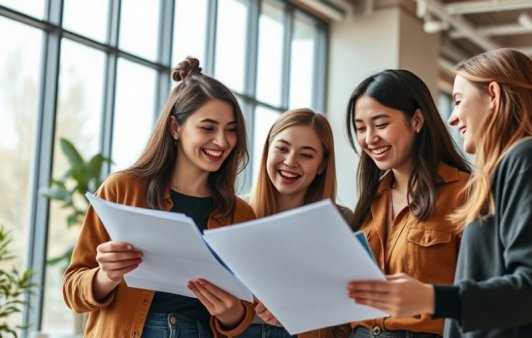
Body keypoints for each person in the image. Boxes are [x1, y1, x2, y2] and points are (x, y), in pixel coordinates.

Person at [347, 48, 532, 337]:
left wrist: (430, 298)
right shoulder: (515, 166)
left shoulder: (529, 159)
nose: (452, 118)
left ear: (493, 95)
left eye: (458, 101)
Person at [63, 57, 256, 337]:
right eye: (208, 128)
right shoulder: (121, 189)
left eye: (231, 130)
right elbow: (72, 290)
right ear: (175, 128)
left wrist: (232, 314)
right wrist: (106, 276)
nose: (222, 141)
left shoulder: (240, 214)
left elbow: (243, 308)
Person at [345, 69, 471, 338]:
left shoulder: (465, 193)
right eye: (360, 128)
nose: (369, 138)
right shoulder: (370, 200)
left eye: (380, 125)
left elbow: (481, 295)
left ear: (416, 119)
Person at [239, 108, 353, 338]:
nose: (290, 161)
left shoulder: (343, 221)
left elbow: (348, 312)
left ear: (322, 165)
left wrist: (301, 315)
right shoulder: (233, 212)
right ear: (267, 151)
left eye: (306, 155)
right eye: (282, 148)